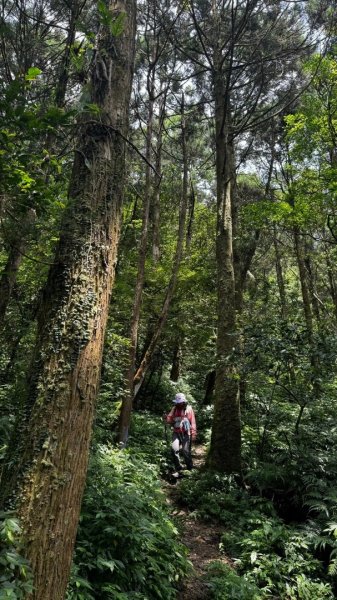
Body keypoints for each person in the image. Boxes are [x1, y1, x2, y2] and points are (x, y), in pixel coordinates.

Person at [165, 392, 197, 478]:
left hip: (186, 433)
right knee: (174, 449)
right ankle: (178, 468)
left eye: (180, 402)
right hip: (176, 432)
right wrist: (167, 417)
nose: (179, 403)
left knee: (186, 451)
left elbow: (193, 422)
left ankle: (190, 469)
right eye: (177, 402)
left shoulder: (189, 409)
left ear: (184, 402)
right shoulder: (174, 409)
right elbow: (169, 420)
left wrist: (193, 434)